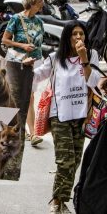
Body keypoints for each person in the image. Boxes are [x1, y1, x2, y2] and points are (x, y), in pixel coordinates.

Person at [27, 21, 100, 214]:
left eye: (81, 34)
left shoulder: (91, 55)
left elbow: (93, 83)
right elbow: (36, 77)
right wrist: (25, 69)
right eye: (74, 34)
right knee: (65, 161)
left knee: (75, 161)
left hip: (82, 117)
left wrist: (84, 58)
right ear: (67, 37)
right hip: (59, 116)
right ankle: (57, 202)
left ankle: (60, 201)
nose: (78, 38)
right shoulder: (55, 58)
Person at [2, 0, 45, 146]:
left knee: (30, 96)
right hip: (18, 62)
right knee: (18, 97)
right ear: (32, 3)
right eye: (40, 3)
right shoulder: (16, 19)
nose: (42, 6)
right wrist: (22, 45)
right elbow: (5, 40)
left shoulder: (39, 22)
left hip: (34, 62)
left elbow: (39, 44)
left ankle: (32, 133)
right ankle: (22, 130)